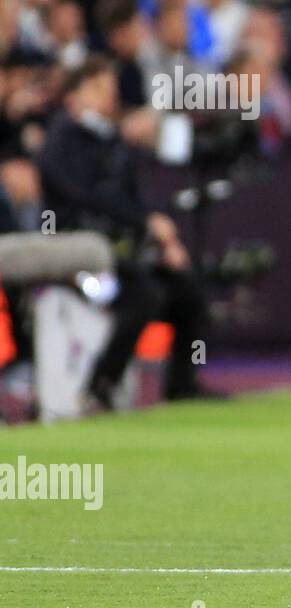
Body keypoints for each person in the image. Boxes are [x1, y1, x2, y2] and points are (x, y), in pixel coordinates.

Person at [37, 56, 221, 408]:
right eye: (98, 88)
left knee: (186, 292)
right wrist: (144, 223)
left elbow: (133, 200)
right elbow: (86, 197)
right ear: (74, 96)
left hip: (123, 252)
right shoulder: (63, 140)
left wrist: (159, 236)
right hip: (81, 256)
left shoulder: (111, 142)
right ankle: (101, 384)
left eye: (110, 88)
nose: (109, 96)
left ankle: (182, 384)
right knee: (145, 295)